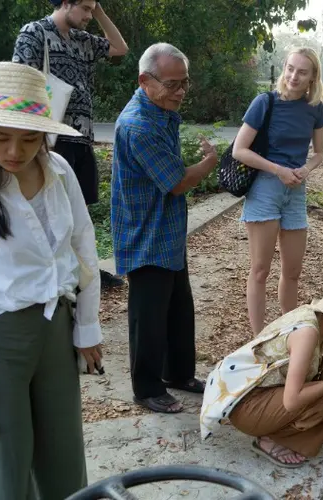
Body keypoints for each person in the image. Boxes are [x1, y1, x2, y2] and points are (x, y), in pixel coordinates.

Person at [0, 62, 103, 499]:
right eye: (0, 137)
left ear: (45, 134)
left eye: (29, 137)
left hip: (57, 323)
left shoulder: (58, 170)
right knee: (6, 460)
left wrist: (87, 328)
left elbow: (82, 245)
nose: (14, 151)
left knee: (63, 453)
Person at [111, 43, 217, 414]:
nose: (181, 92)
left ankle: (178, 373)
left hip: (167, 226)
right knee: (149, 314)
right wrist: (210, 162)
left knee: (177, 306)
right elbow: (177, 181)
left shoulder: (158, 109)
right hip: (146, 233)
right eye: (173, 84)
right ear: (145, 81)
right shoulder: (138, 126)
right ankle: (147, 387)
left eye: (185, 83)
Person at [200, 268, 323, 468]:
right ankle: (272, 439)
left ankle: (278, 430)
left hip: (254, 394)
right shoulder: (307, 333)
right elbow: (292, 400)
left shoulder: (312, 316)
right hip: (247, 409)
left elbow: (295, 355)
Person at [13, 0, 129, 289]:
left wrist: (99, 11)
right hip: (49, 139)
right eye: (86, 9)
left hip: (81, 137)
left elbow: (120, 49)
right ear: (65, 2)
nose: (90, 15)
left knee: (81, 207)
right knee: (48, 207)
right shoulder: (35, 32)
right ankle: (51, 275)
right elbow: (20, 84)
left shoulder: (82, 40)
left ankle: (85, 271)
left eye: (93, 9)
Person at [232, 47, 323, 335]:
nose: (293, 76)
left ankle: (290, 334)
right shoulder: (265, 102)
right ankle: (258, 339)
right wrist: (278, 170)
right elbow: (239, 150)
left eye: (302, 72)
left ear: (313, 78)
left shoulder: (315, 109)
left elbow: (319, 154)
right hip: (265, 188)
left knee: (293, 272)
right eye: (290, 69)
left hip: (296, 192)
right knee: (260, 270)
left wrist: (306, 169)